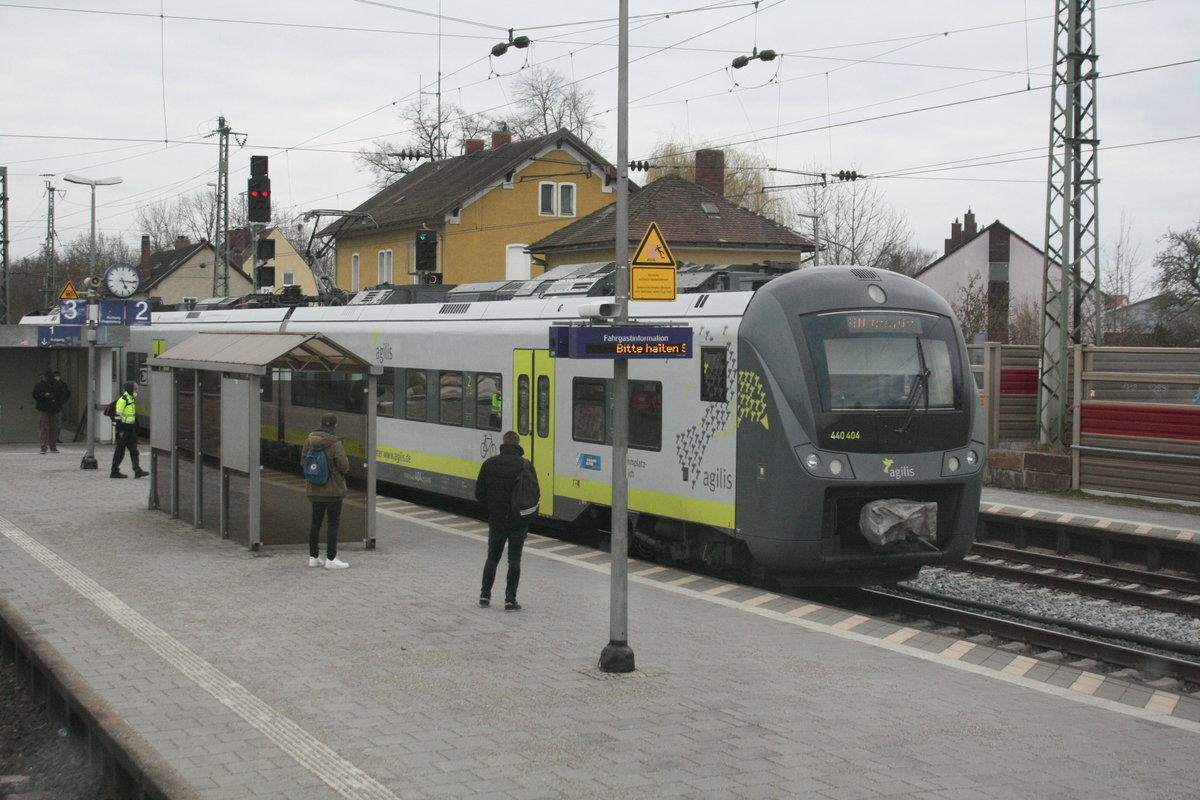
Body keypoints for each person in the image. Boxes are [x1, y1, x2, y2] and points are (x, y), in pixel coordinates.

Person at [475, 430, 534, 611]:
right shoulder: (525, 465)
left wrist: (493, 508)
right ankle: (510, 599)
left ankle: (485, 595)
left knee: (492, 558)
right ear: (518, 444)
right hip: (518, 522)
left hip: (497, 520)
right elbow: (534, 494)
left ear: (503, 443)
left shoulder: (489, 464)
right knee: (514, 560)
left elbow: (479, 495)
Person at [303, 413, 350, 569]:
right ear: (335, 426)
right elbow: (344, 466)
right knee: (332, 524)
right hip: (333, 490)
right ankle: (331, 559)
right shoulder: (335, 443)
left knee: (315, 523)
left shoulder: (309, 440)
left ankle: (314, 557)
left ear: (321, 424)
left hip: (314, 489)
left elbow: (303, 462)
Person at [110, 381, 148, 479]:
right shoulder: (123, 400)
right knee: (120, 452)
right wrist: (120, 430)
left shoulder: (131, 399)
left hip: (130, 430)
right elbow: (118, 416)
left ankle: (137, 470)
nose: (137, 391)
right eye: (135, 389)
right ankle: (114, 471)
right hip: (123, 430)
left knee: (134, 450)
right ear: (130, 390)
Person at [32, 369, 70, 454]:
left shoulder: (40, 385)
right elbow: (65, 395)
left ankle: (44, 446)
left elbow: (35, 395)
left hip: (44, 408)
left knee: (45, 428)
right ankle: (52, 446)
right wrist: (58, 403)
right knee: (53, 429)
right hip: (53, 409)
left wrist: (44, 396)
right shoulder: (59, 385)